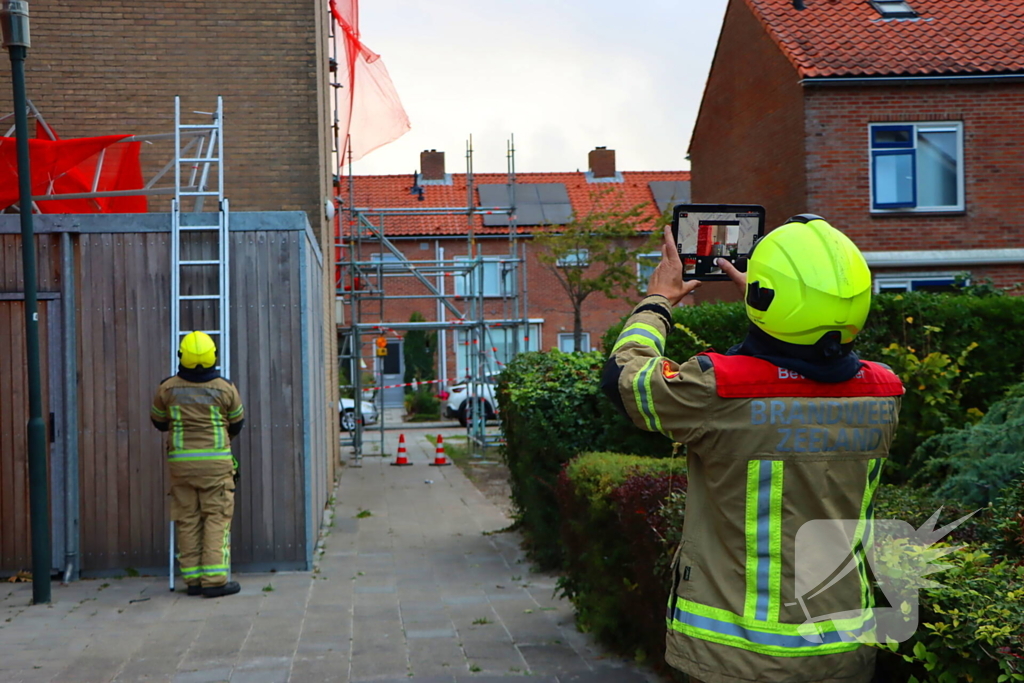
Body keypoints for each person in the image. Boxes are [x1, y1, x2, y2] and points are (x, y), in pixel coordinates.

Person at [602, 215, 904, 683]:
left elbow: (623, 379)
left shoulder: (718, 391)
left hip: (738, 659)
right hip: (844, 653)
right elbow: (803, 367)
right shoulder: (883, 394)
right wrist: (777, 309)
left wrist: (657, 301)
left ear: (766, 298)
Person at [151, 331, 245, 598]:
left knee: (187, 519)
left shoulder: (167, 388)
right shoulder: (225, 388)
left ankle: (192, 580)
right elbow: (237, 422)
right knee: (216, 518)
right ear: (213, 356)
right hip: (216, 467)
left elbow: (158, 421)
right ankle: (214, 581)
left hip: (181, 466)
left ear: (181, 356)